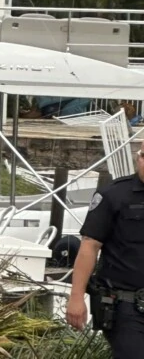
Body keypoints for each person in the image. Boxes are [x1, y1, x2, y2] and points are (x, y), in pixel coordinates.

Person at [66, 147, 144, 357]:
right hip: (127, 306)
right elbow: (89, 246)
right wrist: (76, 297)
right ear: (138, 158)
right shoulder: (113, 194)